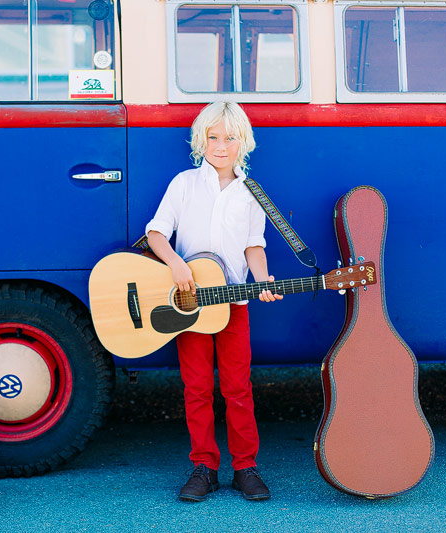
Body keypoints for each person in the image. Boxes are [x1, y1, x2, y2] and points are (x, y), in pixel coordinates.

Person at [145, 101, 282, 502]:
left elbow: (254, 246)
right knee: (198, 387)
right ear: (201, 140)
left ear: (245, 142)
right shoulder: (184, 184)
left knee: (239, 387)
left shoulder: (252, 193)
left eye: (230, 137)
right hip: (188, 306)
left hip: (233, 305)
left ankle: (245, 467)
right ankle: (204, 467)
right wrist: (174, 263)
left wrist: (262, 280)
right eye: (213, 137)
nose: (221, 145)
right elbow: (156, 233)